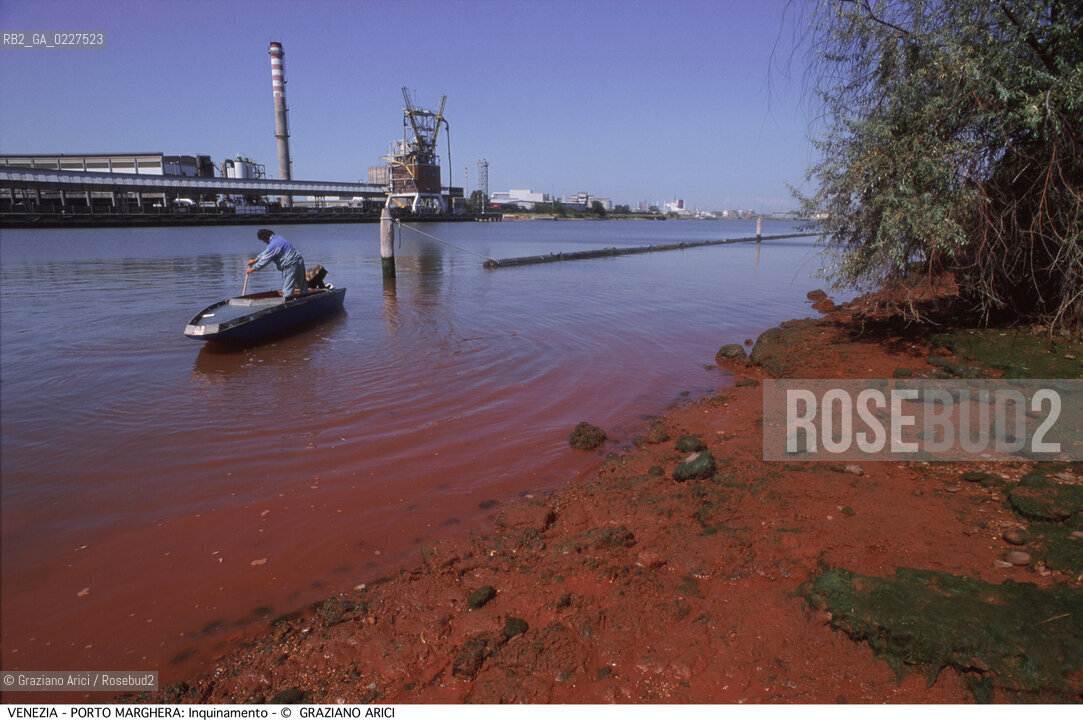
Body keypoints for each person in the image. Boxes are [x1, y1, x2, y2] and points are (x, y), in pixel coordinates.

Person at [247, 229, 306, 301]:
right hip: (299, 260)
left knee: (287, 289)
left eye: (263, 240)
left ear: (265, 238)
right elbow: (267, 252)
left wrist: (253, 269)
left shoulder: (273, 245)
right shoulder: (278, 238)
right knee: (303, 286)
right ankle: (306, 299)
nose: (263, 242)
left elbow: (266, 260)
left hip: (290, 265)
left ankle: (287, 305)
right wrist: (256, 259)